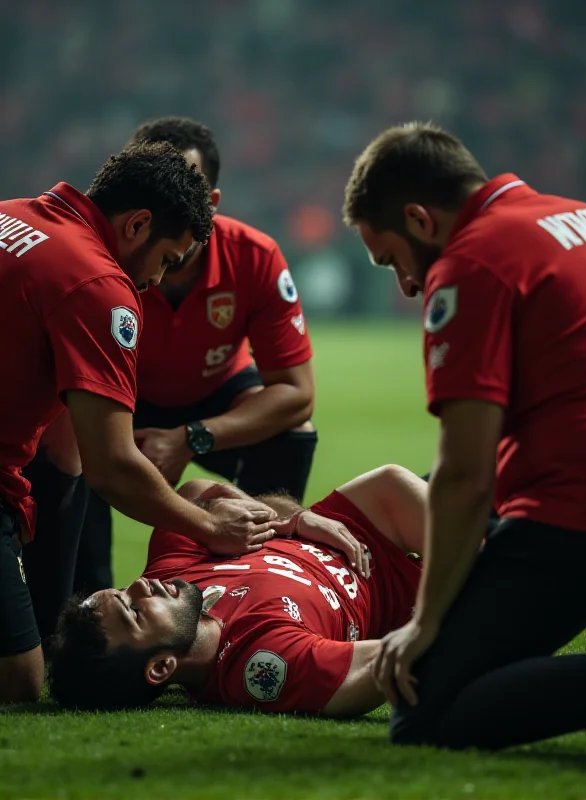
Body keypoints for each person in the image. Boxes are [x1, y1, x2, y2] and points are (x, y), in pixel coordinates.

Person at [343, 121, 586, 750]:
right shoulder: (579, 217)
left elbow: (464, 475)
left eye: (392, 259)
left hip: (573, 514)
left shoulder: (474, 262)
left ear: (421, 221)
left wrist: (426, 620)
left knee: (424, 705)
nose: (405, 284)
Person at [0, 142, 276, 702]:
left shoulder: (12, 214)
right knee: (20, 685)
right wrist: (210, 529)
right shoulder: (100, 285)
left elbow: (66, 452)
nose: (155, 280)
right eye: (167, 260)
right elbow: (114, 468)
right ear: (137, 224)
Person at [76, 116, 317, 596]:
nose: (174, 202)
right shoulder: (101, 261)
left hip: (214, 397)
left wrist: (190, 438)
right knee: (73, 438)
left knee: (292, 432)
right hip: (120, 393)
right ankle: (85, 604)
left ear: (211, 202)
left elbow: (296, 393)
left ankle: (256, 585)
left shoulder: (254, 256)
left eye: (188, 186)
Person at [49, 465, 425, 716]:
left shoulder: (173, 573)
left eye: (123, 592)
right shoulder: (260, 660)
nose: (140, 586)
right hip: (413, 592)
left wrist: (291, 521)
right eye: (134, 611)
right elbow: (378, 663)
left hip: (369, 519)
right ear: (162, 667)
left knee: (397, 482)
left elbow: (198, 493)